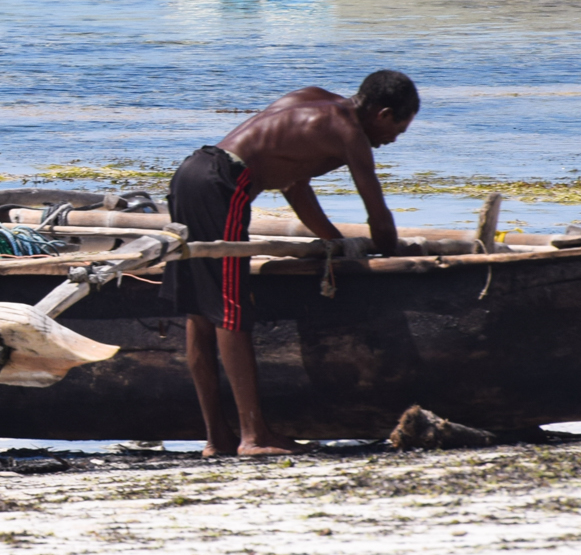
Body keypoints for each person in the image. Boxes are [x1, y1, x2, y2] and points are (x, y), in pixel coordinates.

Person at [162, 70, 420, 457]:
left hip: (192, 173)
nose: (392, 141)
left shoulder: (312, 99)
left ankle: (218, 439)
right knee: (230, 310)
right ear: (383, 114)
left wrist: (335, 243)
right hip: (223, 186)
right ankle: (254, 436)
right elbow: (378, 215)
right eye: (397, 130)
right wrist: (391, 255)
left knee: (200, 312)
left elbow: (295, 186)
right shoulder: (348, 132)